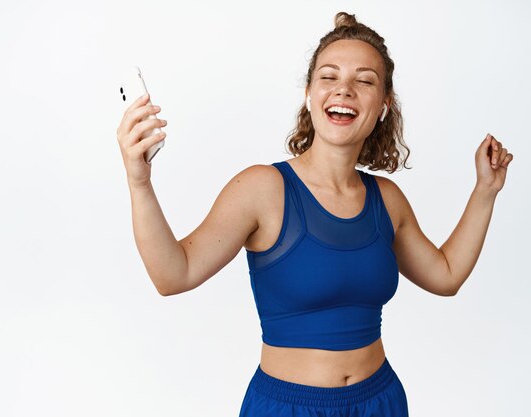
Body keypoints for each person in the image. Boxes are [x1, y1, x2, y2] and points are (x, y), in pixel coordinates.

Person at [116, 11, 513, 417]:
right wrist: (139, 181)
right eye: (329, 77)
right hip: (289, 406)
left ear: (383, 105)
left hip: (380, 401)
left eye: (364, 80)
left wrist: (486, 190)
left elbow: (445, 276)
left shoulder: (387, 199)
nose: (345, 90)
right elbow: (173, 275)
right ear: (309, 93)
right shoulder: (263, 189)